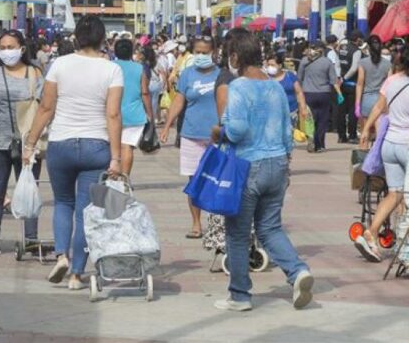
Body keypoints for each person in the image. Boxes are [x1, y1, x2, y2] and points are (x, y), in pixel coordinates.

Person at [214, 33, 313, 312]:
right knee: (270, 228)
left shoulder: (238, 88)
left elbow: (237, 130)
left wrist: (220, 130)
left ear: (235, 58)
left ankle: (240, 295)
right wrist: (286, 164)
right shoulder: (275, 87)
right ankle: (298, 271)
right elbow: (286, 131)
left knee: (237, 233)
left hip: (248, 166)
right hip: (277, 163)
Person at [22, 15, 123, 290]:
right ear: (103, 39)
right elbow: (113, 114)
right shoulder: (111, 70)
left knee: (62, 203)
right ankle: (78, 274)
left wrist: (30, 143)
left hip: (61, 144)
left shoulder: (60, 65)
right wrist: (116, 157)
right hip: (96, 146)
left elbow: (46, 108)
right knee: (86, 212)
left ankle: (61, 256)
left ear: (76, 38)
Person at [354, 46, 409, 262]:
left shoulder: (392, 84)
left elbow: (380, 108)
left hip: (389, 144)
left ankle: (371, 233)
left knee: (395, 193)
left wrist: (365, 129)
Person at [0, 31, 43, 256]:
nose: (7, 51)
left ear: (22, 48)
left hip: (27, 143)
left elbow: (44, 108)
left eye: (11, 46)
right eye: (3, 47)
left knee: (29, 189)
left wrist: (35, 140)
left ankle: (31, 239)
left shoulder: (35, 74)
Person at [160, 36, 220, 239]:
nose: (202, 56)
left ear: (214, 52)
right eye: (198, 52)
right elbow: (179, 101)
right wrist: (167, 126)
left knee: (216, 180)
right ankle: (196, 224)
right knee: (194, 181)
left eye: (206, 52)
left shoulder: (221, 75)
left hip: (217, 136)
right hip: (191, 133)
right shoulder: (187, 74)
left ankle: (216, 224)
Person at [113, 39, 153, 177]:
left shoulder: (109, 66)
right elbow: (145, 92)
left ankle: (113, 175)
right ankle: (124, 178)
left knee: (113, 147)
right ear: (131, 52)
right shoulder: (139, 68)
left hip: (111, 112)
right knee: (127, 147)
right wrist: (150, 114)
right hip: (134, 114)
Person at [299, 40, 342, 153]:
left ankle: (311, 138)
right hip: (324, 94)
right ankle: (320, 144)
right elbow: (334, 80)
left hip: (308, 93)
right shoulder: (327, 62)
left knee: (309, 119)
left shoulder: (304, 61)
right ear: (322, 50)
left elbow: (299, 78)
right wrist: (339, 94)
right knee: (322, 120)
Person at [355, 35, 391, 127]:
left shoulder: (363, 62)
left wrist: (357, 104)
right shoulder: (388, 64)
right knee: (379, 132)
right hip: (381, 100)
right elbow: (389, 85)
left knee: (365, 132)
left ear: (369, 47)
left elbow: (360, 84)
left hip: (367, 99)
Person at [266, 52, 307, 126]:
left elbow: (299, 92)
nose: (269, 67)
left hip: (291, 113)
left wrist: (303, 108)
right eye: (268, 65)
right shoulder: (265, 78)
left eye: (272, 65)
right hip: (272, 115)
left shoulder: (289, 76)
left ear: (280, 65)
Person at [336, 32, 363, 144]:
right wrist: (345, 78)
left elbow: (337, 64)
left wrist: (339, 77)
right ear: (357, 39)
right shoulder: (357, 51)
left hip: (340, 84)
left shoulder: (341, 48)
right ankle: (352, 135)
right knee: (352, 110)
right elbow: (354, 68)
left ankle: (341, 136)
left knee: (341, 110)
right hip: (351, 84)